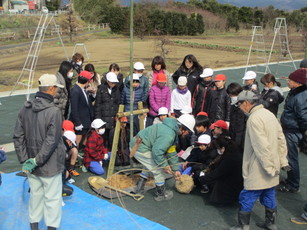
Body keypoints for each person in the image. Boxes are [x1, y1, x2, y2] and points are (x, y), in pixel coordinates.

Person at [13, 74, 66, 230]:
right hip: (50, 165)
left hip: (31, 165)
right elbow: (52, 141)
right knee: (52, 199)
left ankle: (34, 227)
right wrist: (37, 160)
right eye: (56, 87)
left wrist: (26, 161)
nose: (57, 90)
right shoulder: (54, 111)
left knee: (35, 196)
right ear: (50, 88)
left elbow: (18, 136)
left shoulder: (25, 109)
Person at [229, 90, 288, 230]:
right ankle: (271, 223)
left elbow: (261, 146)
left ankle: (243, 226)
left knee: (248, 195)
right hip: (273, 164)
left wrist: (268, 167)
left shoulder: (254, 118)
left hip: (261, 165)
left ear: (247, 103)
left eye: (240, 104)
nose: (239, 107)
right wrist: (282, 161)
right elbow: (281, 139)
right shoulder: (269, 114)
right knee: (269, 193)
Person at [131, 114, 195, 201]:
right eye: (189, 131)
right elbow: (157, 152)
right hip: (140, 148)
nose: (188, 134)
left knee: (149, 166)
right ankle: (160, 194)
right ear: (183, 129)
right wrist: (165, 165)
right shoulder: (169, 135)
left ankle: (139, 189)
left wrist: (175, 169)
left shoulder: (171, 130)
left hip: (139, 144)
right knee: (158, 171)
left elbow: (171, 152)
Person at [280, 69, 307, 193]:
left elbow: (303, 116)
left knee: (291, 158)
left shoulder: (300, 96)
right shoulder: (295, 93)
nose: (288, 82)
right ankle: (291, 179)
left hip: (293, 131)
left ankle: (293, 184)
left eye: (291, 80)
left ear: (298, 83)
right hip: (291, 129)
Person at [199, 135, 243, 205]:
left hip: (232, 185)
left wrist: (201, 179)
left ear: (223, 148)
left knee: (214, 181)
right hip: (237, 181)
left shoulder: (229, 158)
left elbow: (217, 173)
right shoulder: (234, 152)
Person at [95, 72, 121, 149]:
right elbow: (98, 105)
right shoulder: (101, 89)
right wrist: (97, 119)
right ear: (107, 81)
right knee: (103, 139)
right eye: (112, 82)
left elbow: (118, 103)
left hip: (113, 118)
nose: (113, 84)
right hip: (103, 118)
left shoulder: (116, 90)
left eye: (114, 83)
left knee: (112, 139)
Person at [70, 70, 94, 148]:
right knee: (77, 141)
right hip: (80, 122)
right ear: (87, 81)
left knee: (83, 140)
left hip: (85, 121)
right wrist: (77, 123)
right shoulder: (75, 91)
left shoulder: (82, 90)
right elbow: (74, 108)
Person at [226, 83, 247, 152]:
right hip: (233, 136)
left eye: (233, 95)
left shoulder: (244, 108)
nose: (231, 97)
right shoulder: (233, 105)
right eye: (230, 95)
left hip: (242, 140)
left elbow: (241, 127)